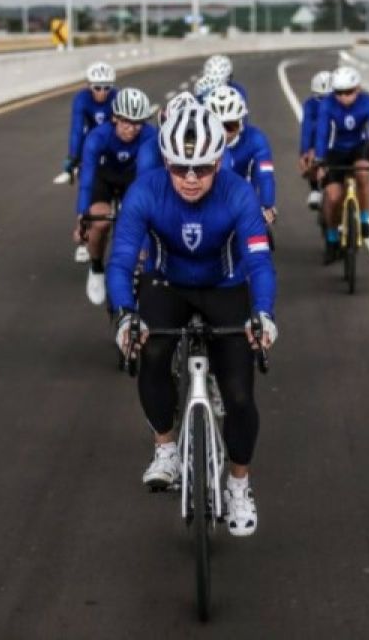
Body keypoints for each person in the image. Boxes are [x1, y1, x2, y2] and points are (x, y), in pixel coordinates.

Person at [109, 105, 277, 537]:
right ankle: (165, 447)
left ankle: (239, 485)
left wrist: (263, 314)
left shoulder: (239, 193)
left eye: (201, 167)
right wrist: (126, 314)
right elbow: (123, 259)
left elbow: (259, 262)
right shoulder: (144, 192)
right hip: (167, 284)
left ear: (219, 161)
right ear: (165, 161)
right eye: (180, 166)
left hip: (226, 287)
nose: (189, 177)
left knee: (239, 395)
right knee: (152, 350)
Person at [74, 87, 158, 305]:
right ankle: (96, 267)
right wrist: (82, 217)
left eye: (137, 123)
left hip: (134, 177)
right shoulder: (98, 136)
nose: (131, 128)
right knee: (100, 222)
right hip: (104, 177)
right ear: (115, 117)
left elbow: (147, 183)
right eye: (125, 122)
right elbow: (87, 180)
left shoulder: (151, 136)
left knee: (141, 222)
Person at [313, 65, 369, 263]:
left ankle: (363, 220)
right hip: (334, 151)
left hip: (358, 147)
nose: (343, 98)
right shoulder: (327, 105)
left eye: (348, 92)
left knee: (363, 173)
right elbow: (321, 133)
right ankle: (331, 238)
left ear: (358, 89)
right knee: (333, 196)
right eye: (338, 93)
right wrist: (320, 161)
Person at [204, 85, 276, 226]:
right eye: (218, 125)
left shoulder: (256, 139)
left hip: (245, 204)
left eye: (230, 125)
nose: (224, 132)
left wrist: (267, 205)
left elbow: (266, 176)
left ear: (241, 121)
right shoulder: (200, 142)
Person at [58, 61, 118, 187]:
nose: (102, 92)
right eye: (97, 87)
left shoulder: (117, 96)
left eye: (107, 87)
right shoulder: (81, 99)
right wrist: (73, 156)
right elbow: (77, 130)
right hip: (91, 135)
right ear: (89, 86)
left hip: (114, 134)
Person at [298, 70, 331, 210]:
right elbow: (307, 129)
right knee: (311, 157)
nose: (323, 102)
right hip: (318, 142)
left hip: (337, 142)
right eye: (320, 97)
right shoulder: (309, 105)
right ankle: (315, 189)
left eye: (327, 97)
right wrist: (305, 151)